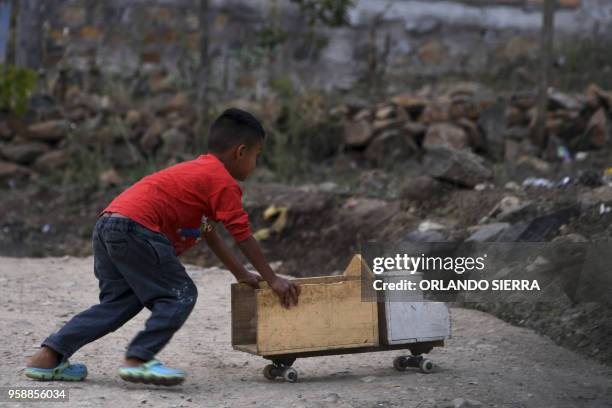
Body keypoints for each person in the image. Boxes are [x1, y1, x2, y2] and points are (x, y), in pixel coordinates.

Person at [25, 108, 301, 386]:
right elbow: (241, 234)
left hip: (109, 224)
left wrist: (241, 274)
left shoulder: (200, 173)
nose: (256, 163)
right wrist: (272, 278)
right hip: (137, 228)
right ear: (240, 152)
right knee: (178, 294)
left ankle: (48, 357)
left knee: (119, 303)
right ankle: (139, 359)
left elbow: (209, 232)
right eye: (257, 155)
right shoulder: (223, 182)